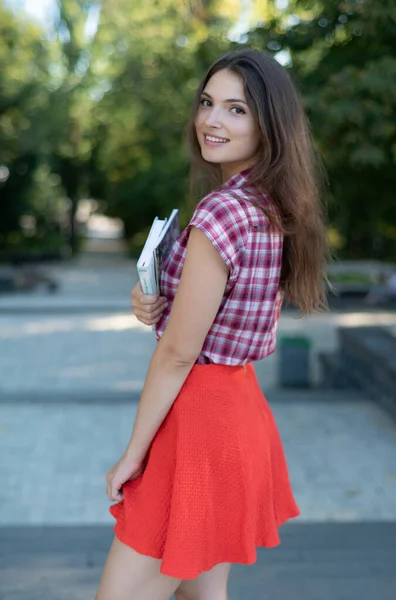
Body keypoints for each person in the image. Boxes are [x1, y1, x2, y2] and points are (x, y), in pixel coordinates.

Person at [96, 48, 329, 600]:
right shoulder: (269, 203)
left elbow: (179, 354)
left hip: (197, 428)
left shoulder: (221, 212)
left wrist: (134, 451)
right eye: (207, 103)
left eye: (236, 109)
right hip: (239, 414)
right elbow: (215, 314)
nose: (212, 121)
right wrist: (154, 297)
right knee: (201, 594)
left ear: (268, 123)